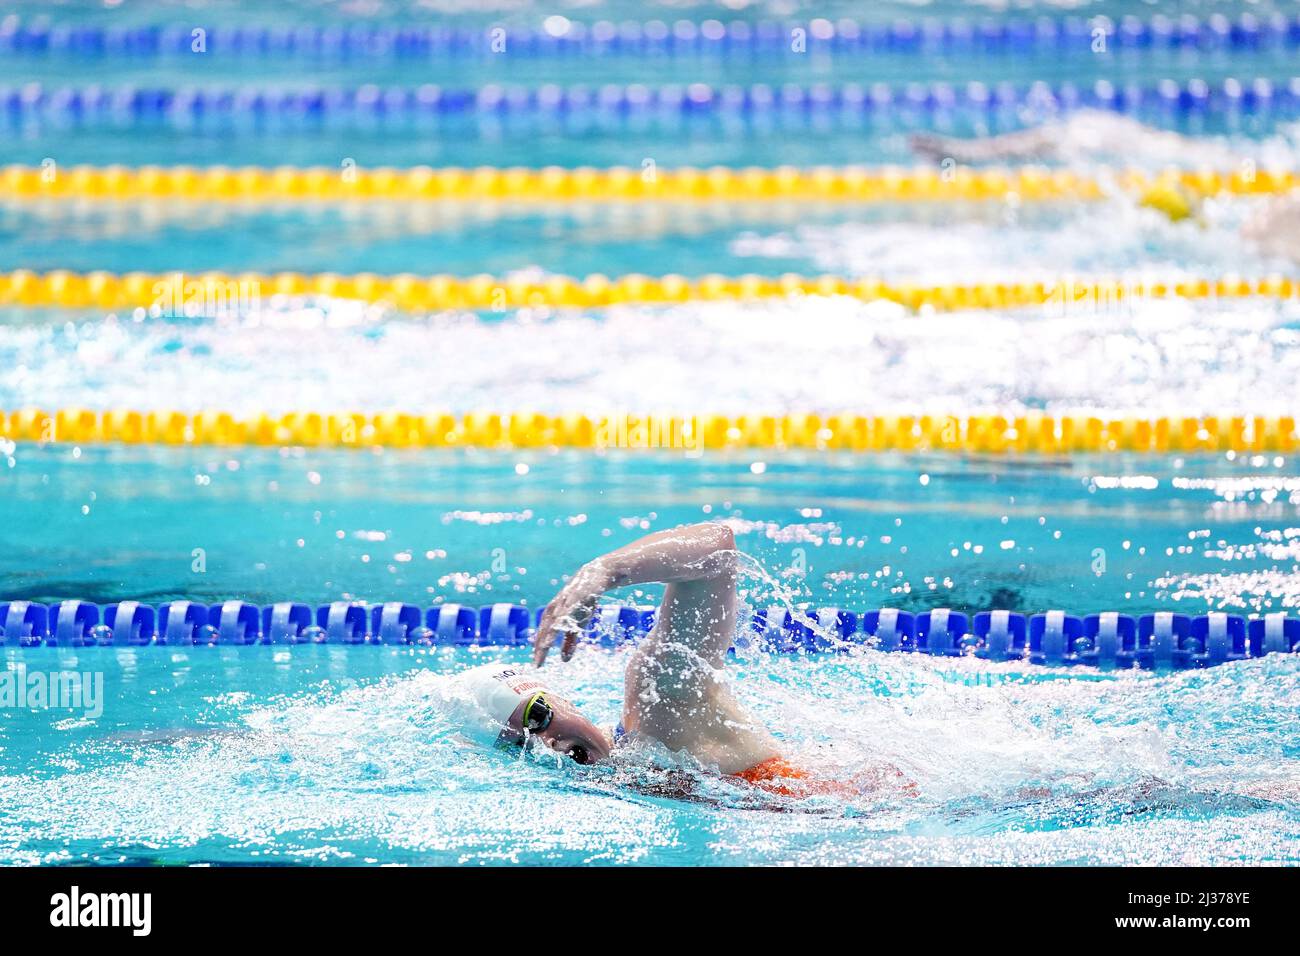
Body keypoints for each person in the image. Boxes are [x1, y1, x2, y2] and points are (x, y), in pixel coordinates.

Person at [447, 522, 915, 799]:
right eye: (518, 745)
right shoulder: (625, 777)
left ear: (562, 699)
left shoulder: (656, 711)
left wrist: (603, 572)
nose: (546, 743)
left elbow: (717, 546)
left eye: (538, 714)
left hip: (908, 808)